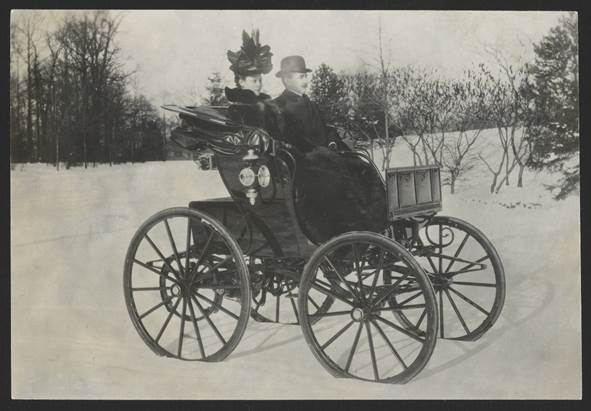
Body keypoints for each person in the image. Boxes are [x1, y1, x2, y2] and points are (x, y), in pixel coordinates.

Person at [272, 56, 339, 153]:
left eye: (306, 76)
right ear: (287, 79)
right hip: (304, 162)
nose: (306, 81)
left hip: (327, 156)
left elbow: (325, 129)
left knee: (362, 165)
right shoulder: (278, 106)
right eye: (301, 77)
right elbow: (287, 141)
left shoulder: (311, 104)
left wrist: (332, 142)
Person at [224, 30, 283, 139]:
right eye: (254, 81)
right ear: (241, 82)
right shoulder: (237, 109)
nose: (259, 85)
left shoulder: (269, 105)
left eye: (260, 80)